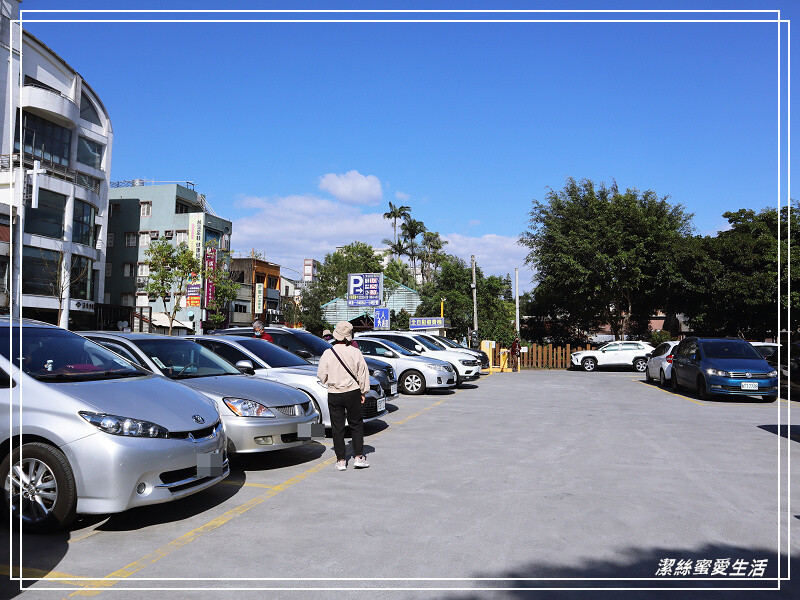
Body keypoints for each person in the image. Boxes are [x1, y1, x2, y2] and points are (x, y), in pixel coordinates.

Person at [317, 321, 370, 471]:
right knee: (356, 424)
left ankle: (341, 460)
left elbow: (321, 375)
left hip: (334, 393)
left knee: (337, 427)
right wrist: (363, 392)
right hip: (352, 391)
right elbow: (363, 373)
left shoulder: (328, 352)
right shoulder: (355, 352)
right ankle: (359, 457)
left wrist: (330, 381)